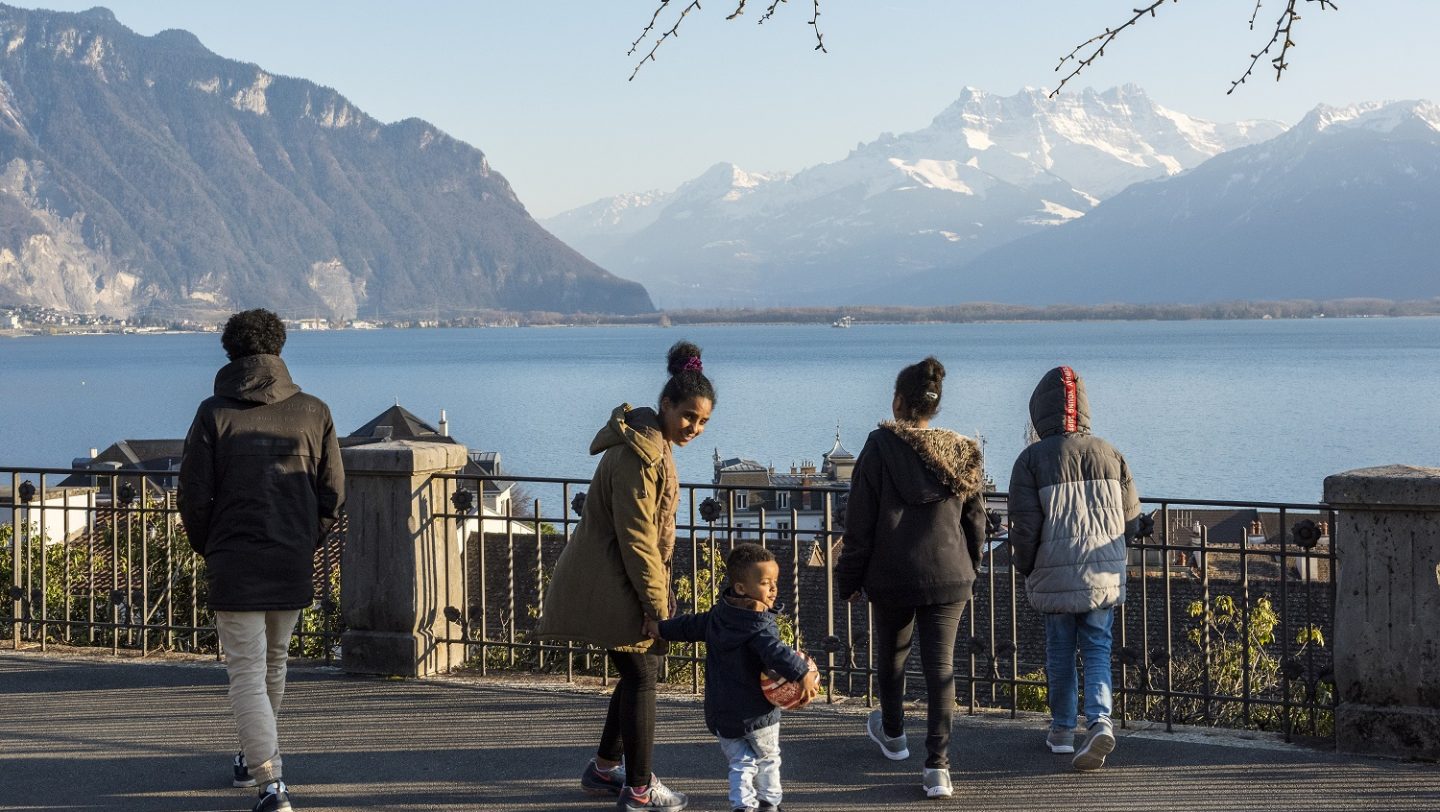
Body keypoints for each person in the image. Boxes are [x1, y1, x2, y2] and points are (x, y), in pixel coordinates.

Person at [536, 341, 715, 812]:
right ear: (666, 405)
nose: (694, 428)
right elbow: (638, 539)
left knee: (636, 672)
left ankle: (604, 768)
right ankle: (637, 788)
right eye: (689, 417)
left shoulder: (652, 444)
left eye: (703, 422)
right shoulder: (641, 455)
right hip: (615, 580)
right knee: (643, 676)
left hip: (616, 577)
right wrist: (658, 607)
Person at [179, 308, 344, 812]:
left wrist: (214, 547)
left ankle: (271, 783)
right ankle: (255, 758)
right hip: (289, 558)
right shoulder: (314, 411)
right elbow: (333, 494)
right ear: (279, 349)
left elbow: (193, 496)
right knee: (274, 664)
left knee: (247, 672)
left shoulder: (214, 413)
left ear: (230, 352)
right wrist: (304, 539)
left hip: (235, 560)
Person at [835, 357, 988, 799]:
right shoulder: (961, 451)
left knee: (893, 657)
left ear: (898, 401)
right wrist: (970, 566)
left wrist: (849, 579)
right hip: (950, 574)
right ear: (934, 406)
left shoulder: (880, 446)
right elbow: (975, 520)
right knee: (941, 669)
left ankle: (895, 735)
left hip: (892, 574)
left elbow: (859, 523)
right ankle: (938, 768)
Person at [1007, 365, 1140, 771]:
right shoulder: (1110, 452)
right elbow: (1131, 520)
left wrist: (1027, 567)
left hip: (1054, 573)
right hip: (1103, 572)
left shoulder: (1030, 461)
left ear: (1039, 414)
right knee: (1098, 647)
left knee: (1060, 650)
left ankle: (1063, 729)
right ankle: (1100, 719)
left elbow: (1025, 528)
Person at [645, 543, 820, 812]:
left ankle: (742, 806)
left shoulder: (718, 616)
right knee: (769, 759)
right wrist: (803, 672)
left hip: (722, 712)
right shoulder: (759, 626)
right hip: (758, 714)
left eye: (775, 582)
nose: (773, 589)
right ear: (741, 588)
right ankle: (770, 804)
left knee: (741, 763)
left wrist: (659, 628)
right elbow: (777, 654)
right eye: (765, 583)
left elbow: (688, 626)